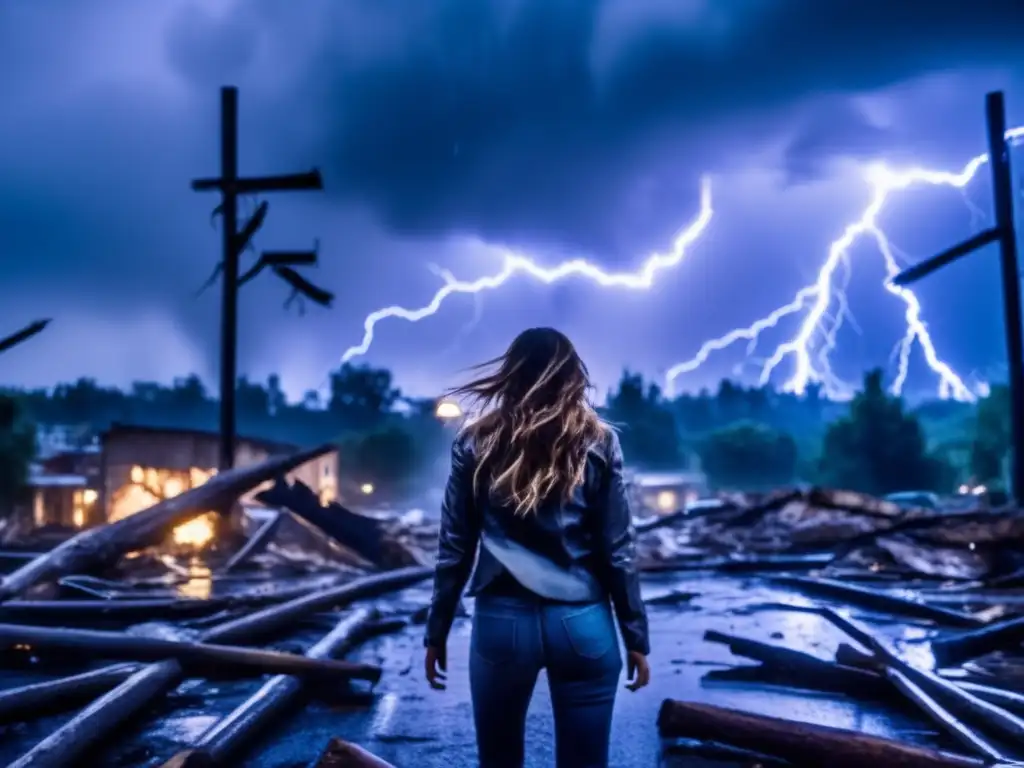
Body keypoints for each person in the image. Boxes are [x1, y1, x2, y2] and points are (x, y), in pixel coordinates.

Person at [423, 327, 651, 768]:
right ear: (572, 376)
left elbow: (454, 546)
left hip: (501, 623)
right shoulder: (600, 440)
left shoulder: (475, 440)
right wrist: (636, 636)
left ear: (509, 375)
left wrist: (437, 631)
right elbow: (617, 549)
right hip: (584, 623)